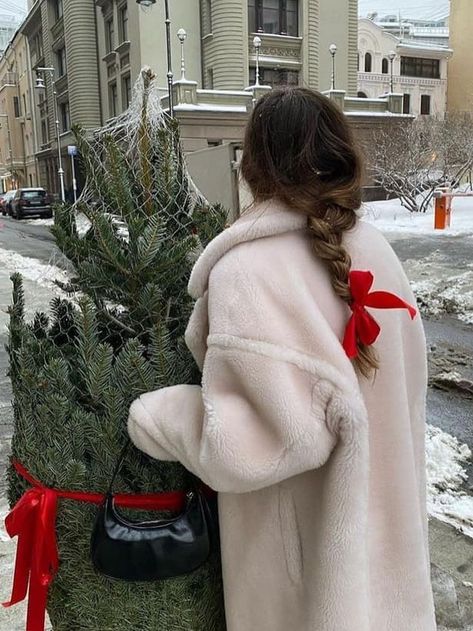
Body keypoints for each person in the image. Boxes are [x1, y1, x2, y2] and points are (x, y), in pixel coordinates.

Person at [127, 87, 436, 631]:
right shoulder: (378, 251)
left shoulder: (248, 272)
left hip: (307, 585)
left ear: (254, 162)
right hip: (388, 564)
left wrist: (164, 418)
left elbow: (256, 444)